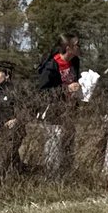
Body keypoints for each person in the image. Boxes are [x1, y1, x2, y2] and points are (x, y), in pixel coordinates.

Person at [36, 33, 83, 175]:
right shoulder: (51, 66)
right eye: (77, 45)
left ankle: (67, 175)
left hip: (70, 110)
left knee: (69, 143)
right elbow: (42, 91)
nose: (80, 47)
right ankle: (51, 176)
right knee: (54, 145)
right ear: (68, 48)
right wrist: (66, 88)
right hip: (54, 112)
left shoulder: (75, 62)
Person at [0, 61, 25, 172]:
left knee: (7, 155)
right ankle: (19, 174)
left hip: (14, 130)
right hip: (0, 130)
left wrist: (16, 119)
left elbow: (25, 108)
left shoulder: (15, 90)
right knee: (9, 157)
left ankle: (10, 176)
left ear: (7, 75)